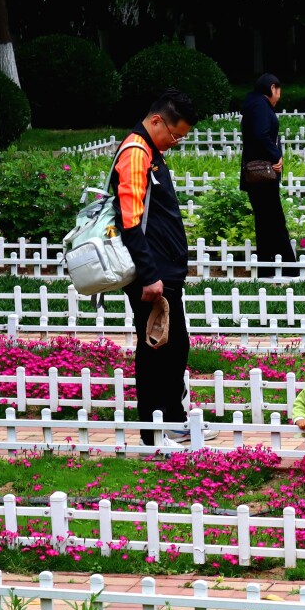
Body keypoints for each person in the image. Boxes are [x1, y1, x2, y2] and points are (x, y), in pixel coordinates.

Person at [113, 88, 199, 448]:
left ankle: (173, 421)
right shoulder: (136, 152)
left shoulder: (152, 152)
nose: (176, 142)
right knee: (156, 349)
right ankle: (153, 430)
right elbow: (129, 220)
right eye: (175, 134)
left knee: (174, 346)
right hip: (152, 276)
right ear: (156, 120)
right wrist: (149, 276)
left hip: (164, 273)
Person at [240, 73, 297, 282]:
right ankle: (291, 269)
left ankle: (266, 268)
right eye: (278, 91)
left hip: (256, 173)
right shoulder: (261, 106)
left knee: (265, 221)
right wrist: (276, 156)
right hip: (263, 173)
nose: (279, 96)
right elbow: (261, 134)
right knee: (274, 219)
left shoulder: (253, 104)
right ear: (273, 88)